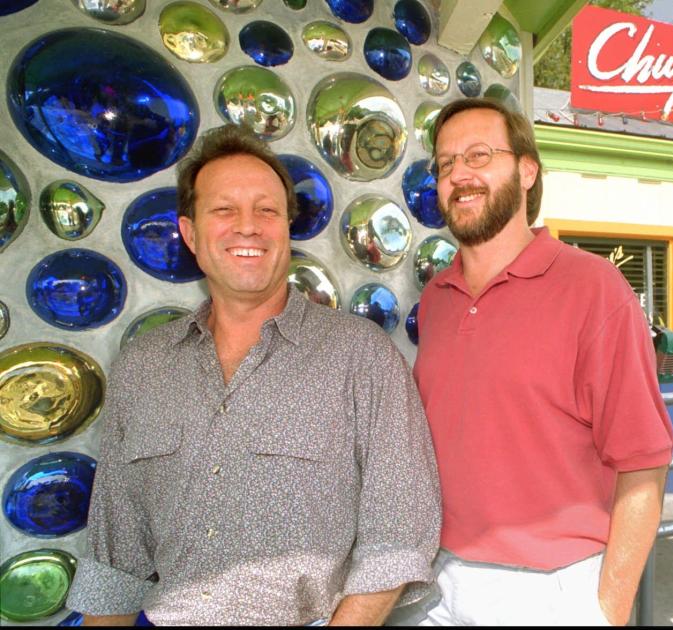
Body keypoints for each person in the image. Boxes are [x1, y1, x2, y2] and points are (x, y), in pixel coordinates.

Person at [66, 124, 441, 626]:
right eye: (224, 210)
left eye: (267, 210)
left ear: (286, 228)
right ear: (190, 232)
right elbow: (116, 553)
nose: (249, 226)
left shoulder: (361, 357)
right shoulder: (143, 366)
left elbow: (397, 530)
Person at [389, 98, 673, 626]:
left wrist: (606, 613)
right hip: (435, 583)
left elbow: (644, 465)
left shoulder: (595, 290)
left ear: (526, 170)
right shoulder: (438, 299)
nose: (460, 175)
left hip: (550, 590)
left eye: (479, 155)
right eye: (446, 164)